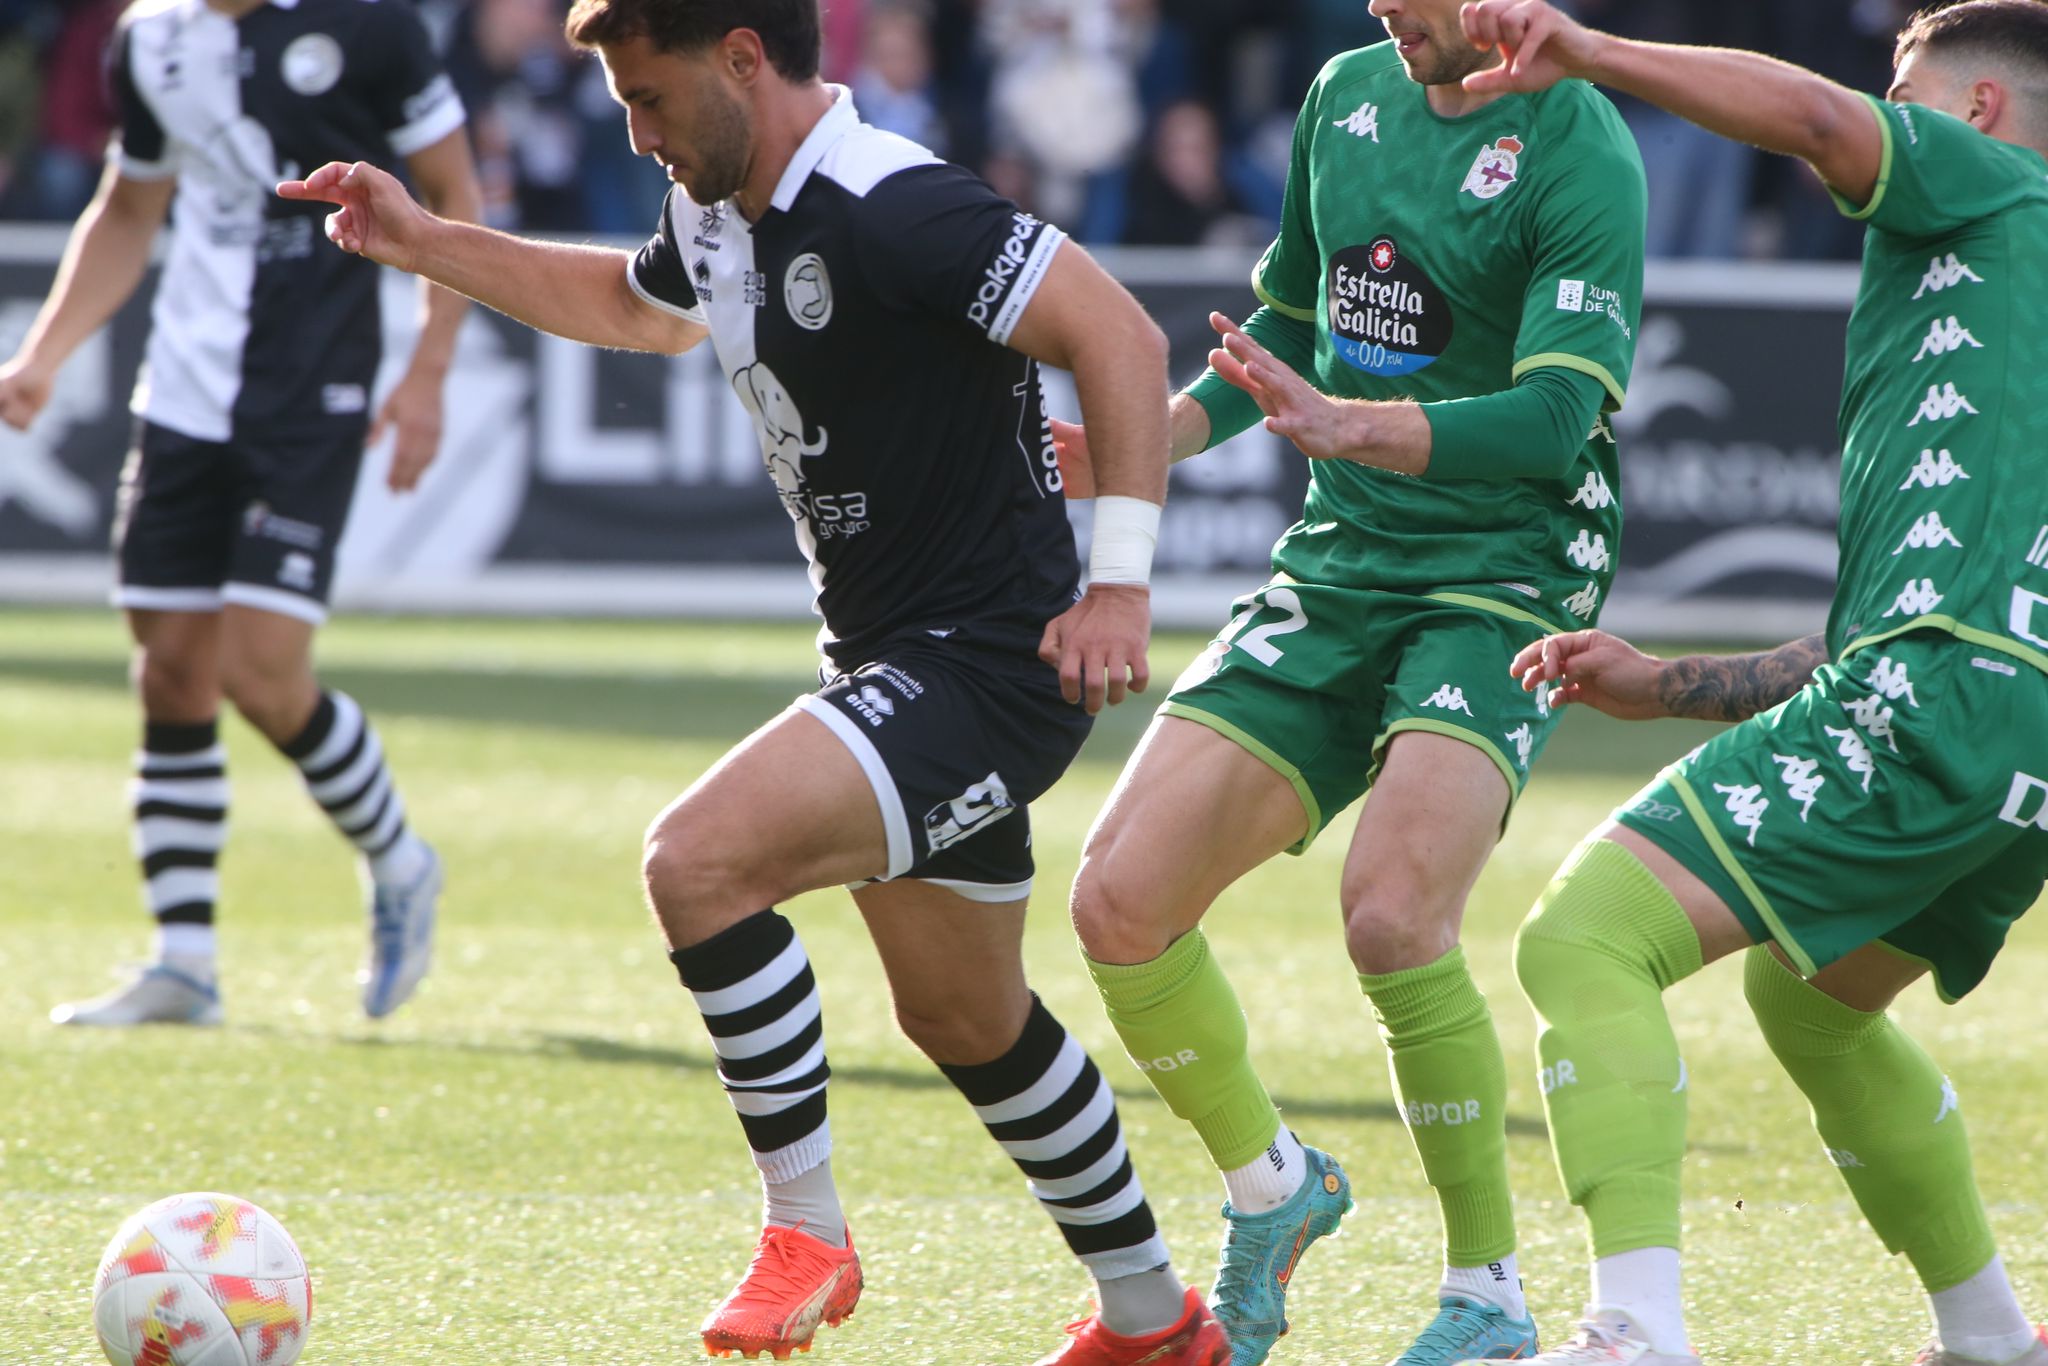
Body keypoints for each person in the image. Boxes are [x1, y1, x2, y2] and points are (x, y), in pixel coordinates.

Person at [277, 1, 1232, 1362]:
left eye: (650, 96)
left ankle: (807, 1229)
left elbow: (1122, 339)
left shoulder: (894, 202)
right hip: (892, 657)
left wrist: (1120, 588)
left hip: (990, 662)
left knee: (697, 861)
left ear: (740, 56)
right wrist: (422, 239)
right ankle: (1153, 1320)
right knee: (964, 1011)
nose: (635, 129)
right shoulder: (719, 218)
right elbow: (626, 305)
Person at [1450, 2, 2048, 1362]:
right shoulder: (2018, 298)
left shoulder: (1994, 179)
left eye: (1905, 87)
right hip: (2025, 739)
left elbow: (1817, 121)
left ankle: (1637, 1329)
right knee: (1814, 997)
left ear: (1977, 112)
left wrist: (1589, 50)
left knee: (1585, 937)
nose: (1876, 109)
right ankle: (1993, 1337)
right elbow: (1907, 617)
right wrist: (1667, 684)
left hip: (1940, 697)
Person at [1051, 0, 1646, 1360]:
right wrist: (1143, 447)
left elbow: (1561, 416)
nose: (1386, 9)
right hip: (1343, 558)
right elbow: (1286, 324)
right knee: (1118, 901)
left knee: (1389, 916)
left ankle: (1486, 1294)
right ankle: (1273, 1187)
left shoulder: (1580, 141)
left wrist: (1351, 426)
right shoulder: (1346, 94)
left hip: (1508, 566)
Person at [0, 0, 481, 1027]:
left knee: (259, 669)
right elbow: (129, 208)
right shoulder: (150, 37)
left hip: (312, 393)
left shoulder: (372, 28)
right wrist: (44, 354)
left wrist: (428, 370)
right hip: (180, 395)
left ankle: (400, 860)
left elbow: (453, 193)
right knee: (169, 663)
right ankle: (183, 962)